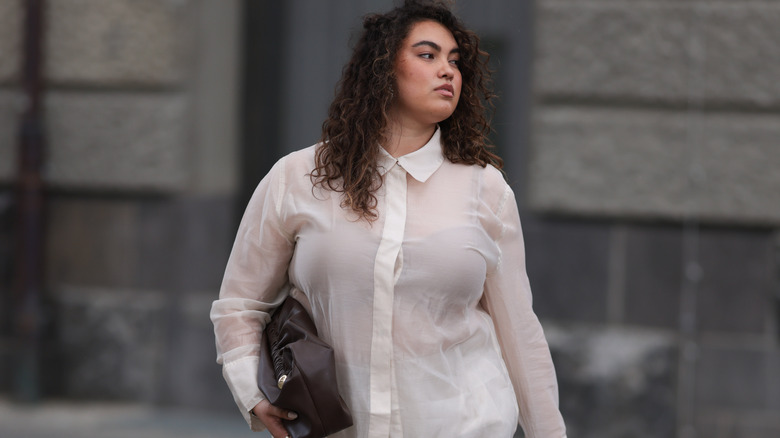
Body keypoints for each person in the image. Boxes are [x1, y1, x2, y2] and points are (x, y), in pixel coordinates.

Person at [210, 1, 567, 437]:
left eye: (455, 61)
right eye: (427, 54)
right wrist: (253, 391)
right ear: (383, 68)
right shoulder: (297, 178)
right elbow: (240, 304)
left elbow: (520, 332)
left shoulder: (485, 188)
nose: (447, 70)